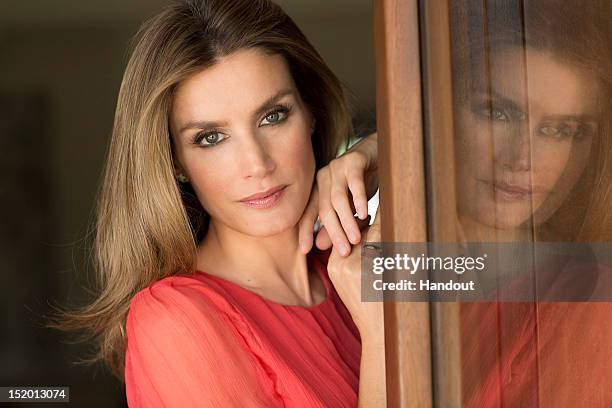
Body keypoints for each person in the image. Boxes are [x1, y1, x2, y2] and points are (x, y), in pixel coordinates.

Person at [46, 0, 384, 407]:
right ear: (175, 161)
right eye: (211, 138)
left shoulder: (359, 260)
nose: (257, 164)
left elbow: (483, 278)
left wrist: (383, 154)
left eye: (273, 116)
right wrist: (383, 335)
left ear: (310, 112)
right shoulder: (177, 320)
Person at [448, 0, 612, 406]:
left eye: (560, 130)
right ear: (440, 109)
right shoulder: (384, 267)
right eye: (496, 112)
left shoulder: (594, 298)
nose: (523, 158)